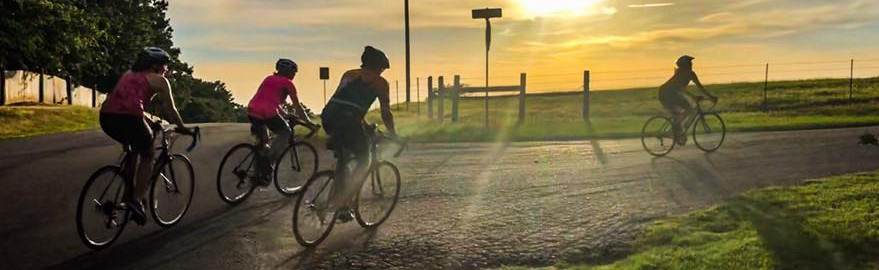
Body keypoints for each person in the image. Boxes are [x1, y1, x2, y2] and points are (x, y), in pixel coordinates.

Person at [100, 47, 192, 225]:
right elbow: (170, 110)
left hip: (106, 117)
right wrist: (182, 127)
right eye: (165, 66)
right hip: (129, 119)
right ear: (156, 66)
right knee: (148, 154)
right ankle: (136, 201)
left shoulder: (128, 74)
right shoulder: (160, 81)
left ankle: (127, 193)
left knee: (133, 151)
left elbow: (127, 103)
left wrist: (150, 122)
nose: (166, 70)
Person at [321, 46, 397, 221]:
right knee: (364, 159)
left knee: (344, 155)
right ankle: (343, 205)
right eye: (382, 68)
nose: (382, 71)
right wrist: (394, 134)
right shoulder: (380, 83)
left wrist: (363, 124)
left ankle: (338, 187)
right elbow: (386, 113)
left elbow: (345, 103)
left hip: (329, 117)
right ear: (378, 67)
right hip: (348, 122)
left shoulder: (348, 74)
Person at [246, 58, 317, 185]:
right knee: (286, 132)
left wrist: (285, 114)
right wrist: (309, 122)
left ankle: (259, 173)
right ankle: (269, 162)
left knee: (262, 142)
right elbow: (297, 106)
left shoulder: (268, 79)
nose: (294, 76)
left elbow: (268, 99)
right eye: (294, 73)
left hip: (252, 110)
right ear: (290, 72)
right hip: (268, 113)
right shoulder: (288, 83)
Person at [659, 55, 718, 145]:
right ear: (684, 66)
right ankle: (673, 131)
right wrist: (699, 97)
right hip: (666, 94)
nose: (691, 64)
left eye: (691, 63)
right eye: (689, 63)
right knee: (683, 112)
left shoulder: (691, 74)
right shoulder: (680, 74)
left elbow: (699, 87)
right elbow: (681, 88)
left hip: (672, 93)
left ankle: (679, 132)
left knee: (685, 111)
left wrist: (708, 96)